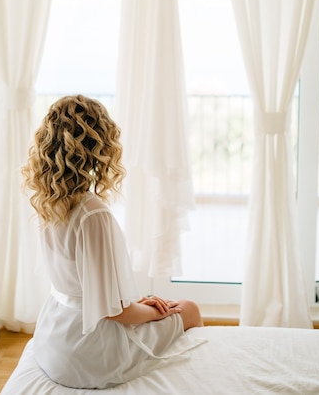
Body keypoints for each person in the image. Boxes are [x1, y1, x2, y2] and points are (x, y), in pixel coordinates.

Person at [22, 94, 204, 389]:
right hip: (85, 354)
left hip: (53, 340)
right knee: (190, 308)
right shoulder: (92, 215)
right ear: (99, 148)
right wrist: (156, 311)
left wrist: (136, 302)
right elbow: (114, 312)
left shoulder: (48, 202)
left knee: (161, 306)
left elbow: (85, 290)